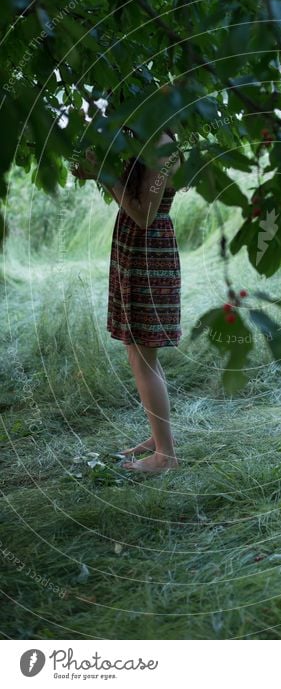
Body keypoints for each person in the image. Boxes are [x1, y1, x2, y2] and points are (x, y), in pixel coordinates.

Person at [72, 127, 182, 474]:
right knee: (138, 351)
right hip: (133, 248)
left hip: (149, 251)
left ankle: (166, 456)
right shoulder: (145, 142)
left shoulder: (164, 149)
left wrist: (103, 174)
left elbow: (144, 215)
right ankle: (158, 438)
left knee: (143, 355)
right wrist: (96, 173)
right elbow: (129, 197)